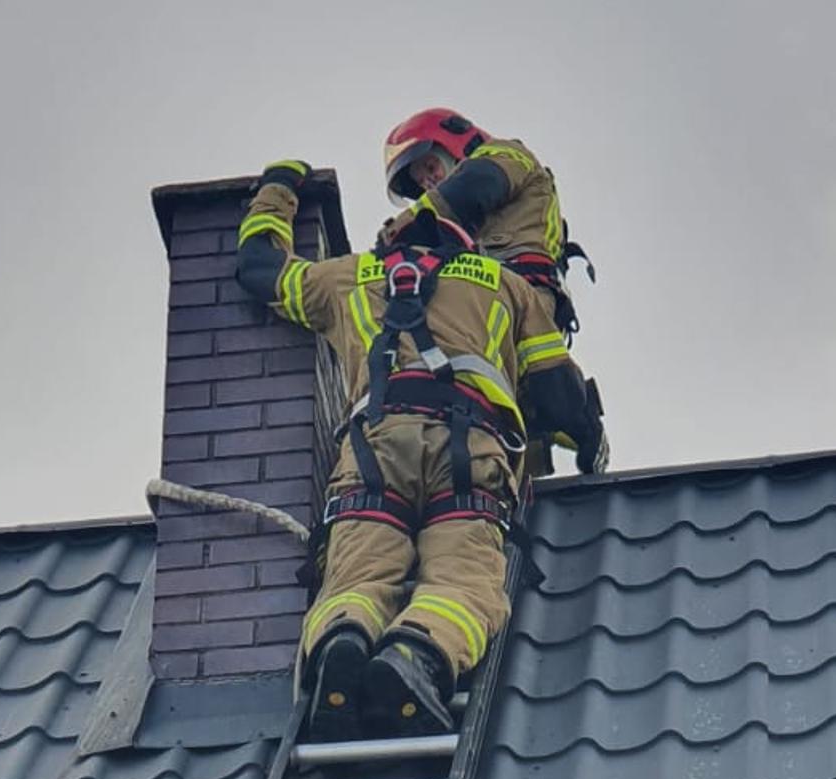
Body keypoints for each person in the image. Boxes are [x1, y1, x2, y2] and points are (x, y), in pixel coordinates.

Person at [234, 159, 606, 742]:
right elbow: (558, 399)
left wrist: (277, 188)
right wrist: (591, 445)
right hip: (471, 455)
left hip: (373, 452)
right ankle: (416, 656)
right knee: (464, 581)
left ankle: (342, 648)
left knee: (357, 575)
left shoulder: (345, 278)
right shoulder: (504, 285)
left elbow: (260, 269)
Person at [379, 108, 605, 477]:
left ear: (456, 144)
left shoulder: (505, 156)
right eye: (419, 181)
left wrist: (397, 233)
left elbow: (475, 186)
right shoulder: (454, 224)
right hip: (483, 305)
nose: (428, 183)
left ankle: (581, 425)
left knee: (519, 390)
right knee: (489, 409)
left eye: (430, 167)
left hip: (522, 294)